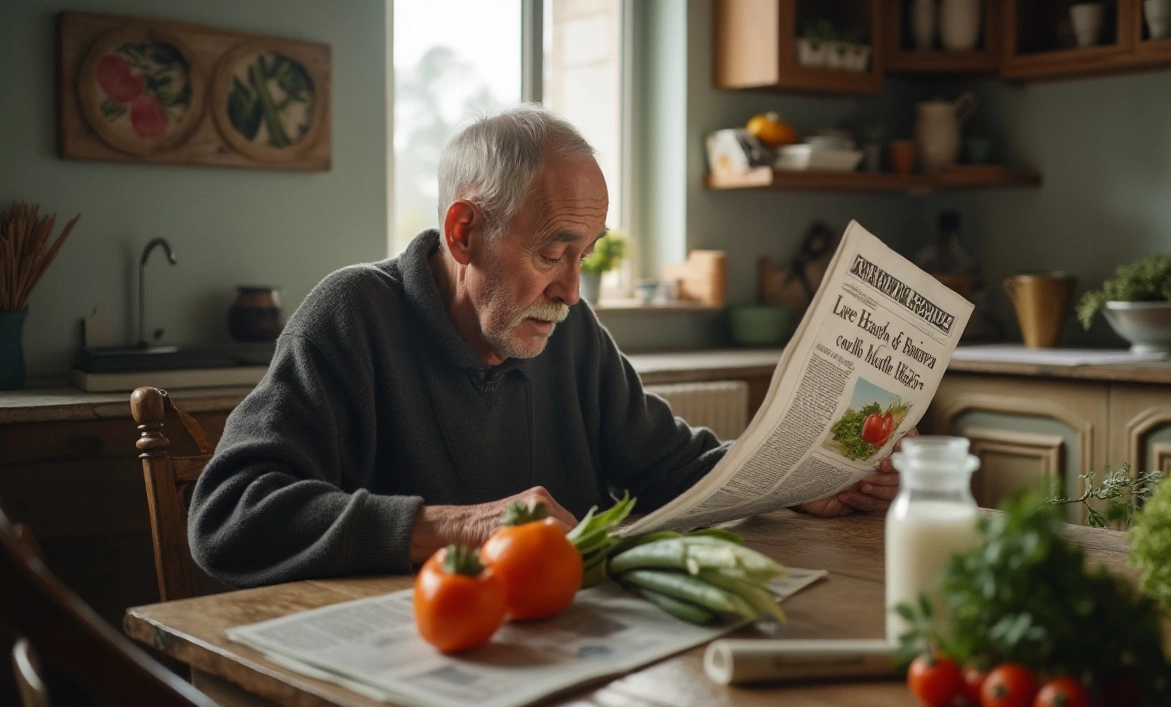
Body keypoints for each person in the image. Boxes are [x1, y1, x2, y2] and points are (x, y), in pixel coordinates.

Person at [189, 104, 903, 588]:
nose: (571, 291)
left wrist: (805, 480)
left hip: (553, 653)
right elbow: (229, 515)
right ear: (464, 233)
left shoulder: (568, 330)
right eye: (552, 252)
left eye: (586, 255)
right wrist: (459, 525)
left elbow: (675, 469)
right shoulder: (353, 314)